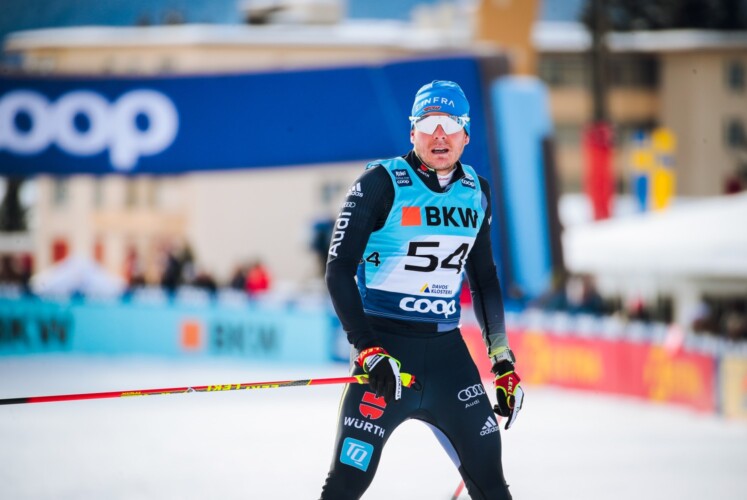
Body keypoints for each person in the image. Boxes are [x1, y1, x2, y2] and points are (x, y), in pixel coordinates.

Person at [320, 80, 523, 499]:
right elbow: (338, 270)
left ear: (466, 134)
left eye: (450, 123)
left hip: (449, 361)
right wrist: (368, 349)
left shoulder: (477, 192)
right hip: (386, 359)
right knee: (345, 484)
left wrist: (502, 362)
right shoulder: (380, 182)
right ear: (413, 132)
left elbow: (484, 280)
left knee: (492, 486)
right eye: (429, 124)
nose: (439, 135)